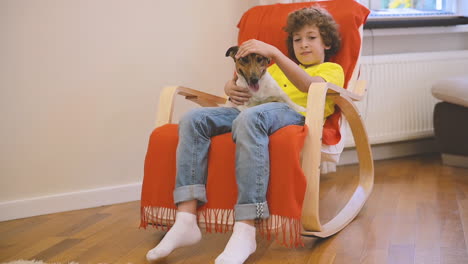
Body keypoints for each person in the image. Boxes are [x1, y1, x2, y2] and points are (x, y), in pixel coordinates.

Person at [146, 6, 344, 264]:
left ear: (326, 42)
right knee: (193, 119)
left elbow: (310, 86)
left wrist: (274, 53)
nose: (303, 44)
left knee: (251, 117)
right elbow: (247, 85)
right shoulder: (270, 70)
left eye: (311, 38)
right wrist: (230, 87)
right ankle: (185, 219)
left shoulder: (331, 69)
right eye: (297, 40)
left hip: (293, 114)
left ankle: (246, 228)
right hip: (249, 110)